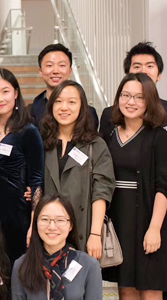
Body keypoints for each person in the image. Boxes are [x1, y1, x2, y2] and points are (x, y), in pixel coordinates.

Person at [99, 41, 167, 300]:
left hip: (149, 222)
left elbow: (165, 186)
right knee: (126, 292)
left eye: (138, 97)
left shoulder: (158, 137)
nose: (131, 102)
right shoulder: (110, 135)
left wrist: (155, 228)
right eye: (125, 95)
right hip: (119, 222)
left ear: (149, 100)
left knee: (150, 293)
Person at [40, 80, 115, 257]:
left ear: (82, 107)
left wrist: (95, 234)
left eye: (72, 102)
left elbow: (101, 192)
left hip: (83, 229)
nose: (64, 107)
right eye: (58, 101)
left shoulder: (95, 145)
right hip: (48, 230)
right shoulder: (43, 143)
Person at [0, 68, 44, 264]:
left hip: (18, 216)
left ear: (15, 93)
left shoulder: (28, 131)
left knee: (17, 270)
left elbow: (37, 180)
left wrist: (34, 224)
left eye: (5, 91)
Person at [31, 44, 99, 132]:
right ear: (40, 71)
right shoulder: (30, 112)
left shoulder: (88, 112)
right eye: (49, 65)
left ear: (70, 71)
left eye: (62, 65)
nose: (55, 71)